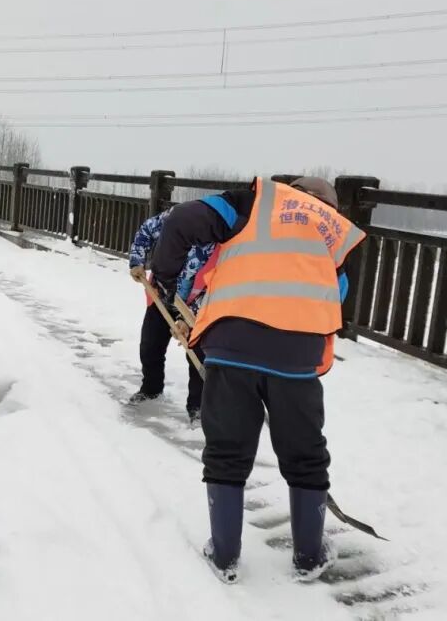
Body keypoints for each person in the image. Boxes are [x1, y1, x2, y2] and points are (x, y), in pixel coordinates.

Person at [150, 176, 365, 584]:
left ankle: (225, 557)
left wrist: (165, 278)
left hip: (232, 344)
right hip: (297, 358)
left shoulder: (252, 203)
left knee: (227, 450)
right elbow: (335, 297)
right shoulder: (334, 232)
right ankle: (309, 557)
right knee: (305, 455)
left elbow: (180, 221)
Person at [127, 208, 215, 424]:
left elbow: (215, 287)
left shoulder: (220, 240)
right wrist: (136, 261)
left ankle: (198, 407)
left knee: (198, 356)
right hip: (161, 294)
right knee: (150, 346)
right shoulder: (173, 219)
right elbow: (146, 231)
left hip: (197, 303)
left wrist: (187, 319)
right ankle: (151, 390)